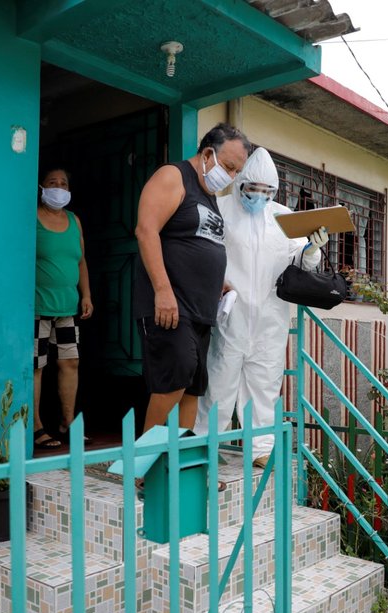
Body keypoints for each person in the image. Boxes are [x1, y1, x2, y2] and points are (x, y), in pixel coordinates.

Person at [194, 147, 329, 467]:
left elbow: (302, 262)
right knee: (220, 378)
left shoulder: (283, 218)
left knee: (265, 381)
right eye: (253, 190)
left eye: (267, 192)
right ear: (240, 184)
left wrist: (312, 248)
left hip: (270, 314)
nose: (259, 197)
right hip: (232, 310)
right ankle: (205, 443)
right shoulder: (221, 208)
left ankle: (261, 448)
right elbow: (202, 250)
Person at [134, 124, 251, 433]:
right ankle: (143, 466)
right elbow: (146, 230)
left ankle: (183, 466)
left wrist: (218, 281)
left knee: (192, 390)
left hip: (200, 310)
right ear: (207, 152)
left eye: (237, 172)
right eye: (228, 166)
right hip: (169, 305)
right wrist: (162, 290)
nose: (231, 176)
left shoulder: (208, 195)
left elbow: (199, 243)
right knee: (173, 381)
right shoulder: (173, 176)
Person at [33, 168, 92, 451]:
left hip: (67, 306)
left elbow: (80, 261)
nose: (59, 187)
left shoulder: (74, 220)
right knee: (37, 366)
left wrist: (86, 295)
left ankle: (67, 422)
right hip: (37, 306)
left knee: (70, 362)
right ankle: (36, 426)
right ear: (42, 187)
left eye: (64, 183)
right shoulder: (32, 217)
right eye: (52, 183)